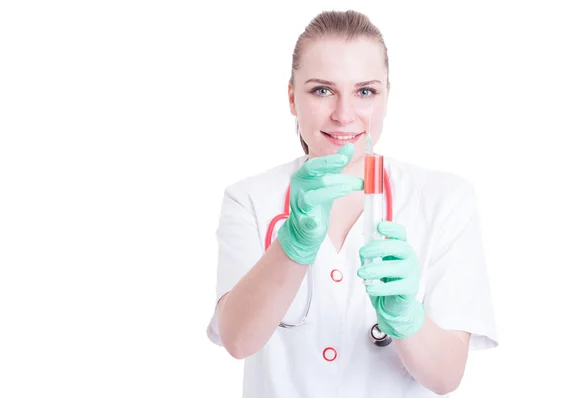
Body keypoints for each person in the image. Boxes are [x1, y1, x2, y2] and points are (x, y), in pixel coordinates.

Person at [205, 9, 498, 398]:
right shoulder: (249, 199)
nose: (344, 115)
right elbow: (238, 341)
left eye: (365, 91)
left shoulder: (445, 200)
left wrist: (406, 317)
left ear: (386, 97)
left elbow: (446, 377)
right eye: (322, 90)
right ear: (293, 98)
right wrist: (292, 246)